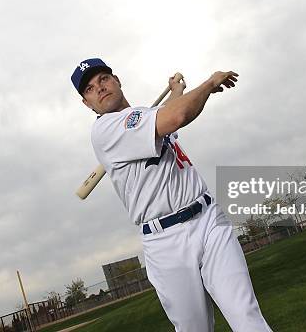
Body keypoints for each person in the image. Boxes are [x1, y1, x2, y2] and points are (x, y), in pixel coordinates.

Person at [71, 58, 273, 332]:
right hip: (165, 241)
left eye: (103, 79)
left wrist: (177, 91)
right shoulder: (104, 131)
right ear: (87, 103)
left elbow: (170, 118)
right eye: (90, 89)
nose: (99, 88)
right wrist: (209, 84)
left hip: (209, 219)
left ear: (116, 80)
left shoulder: (145, 116)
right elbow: (176, 116)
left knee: (246, 316)